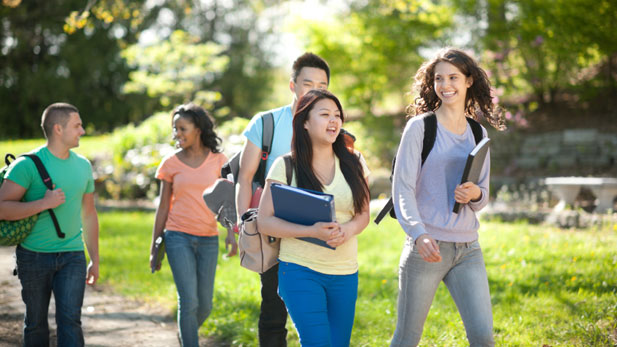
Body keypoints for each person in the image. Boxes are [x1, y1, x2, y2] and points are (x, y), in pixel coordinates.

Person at [389, 48, 506, 347]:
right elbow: (402, 188)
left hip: (468, 249)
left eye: (453, 77)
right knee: (407, 339)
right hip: (427, 247)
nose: (445, 85)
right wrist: (418, 233)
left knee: (483, 338)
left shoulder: (478, 133)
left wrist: (475, 193)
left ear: (469, 81)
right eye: (439, 78)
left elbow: (483, 195)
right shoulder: (420, 128)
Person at [257, 89, 371, 347]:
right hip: (299, 269)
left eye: (337, 115)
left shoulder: (355, 162)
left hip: (345, 272)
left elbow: (363, 214)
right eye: (325, 114)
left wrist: (349, 229)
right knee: (317, 342)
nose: (334, 121)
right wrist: (312, 231)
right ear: (305, 122)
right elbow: (264, 221)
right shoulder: (285, 166)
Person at [236, 52, 330, 346]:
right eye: (308, 83)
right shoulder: (266, 124)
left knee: (316, 312)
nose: (315, 91)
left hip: (318, 231)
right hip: (273, 231)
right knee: (274, 311)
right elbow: (245, 176)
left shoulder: (331, 124)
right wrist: (243, 224)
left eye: (323, 86)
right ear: (293, 85)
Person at [0, 102, 99, 346]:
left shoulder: (84, 166)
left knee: (71, 320)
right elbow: (2, 207)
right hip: (33, 256)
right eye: (77, 125)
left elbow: (89, 213)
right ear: (58, 128)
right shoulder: (26, 165)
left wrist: (94, 259)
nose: (82, 131)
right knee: (35, 323)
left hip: (72, 256)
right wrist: (43, 204)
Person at [149, 103, 232, 347]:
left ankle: (187, 334)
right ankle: (189, 341)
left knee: (205, 304)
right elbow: (163, 206)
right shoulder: (170, 163)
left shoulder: (219, 160)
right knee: (189, 301)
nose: (177, 134)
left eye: (182, 128)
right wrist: (155, 247)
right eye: (175, 129)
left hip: (208, 238)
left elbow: (227, 201)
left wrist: (231, 235)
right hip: (177, 237)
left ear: (198, 128)